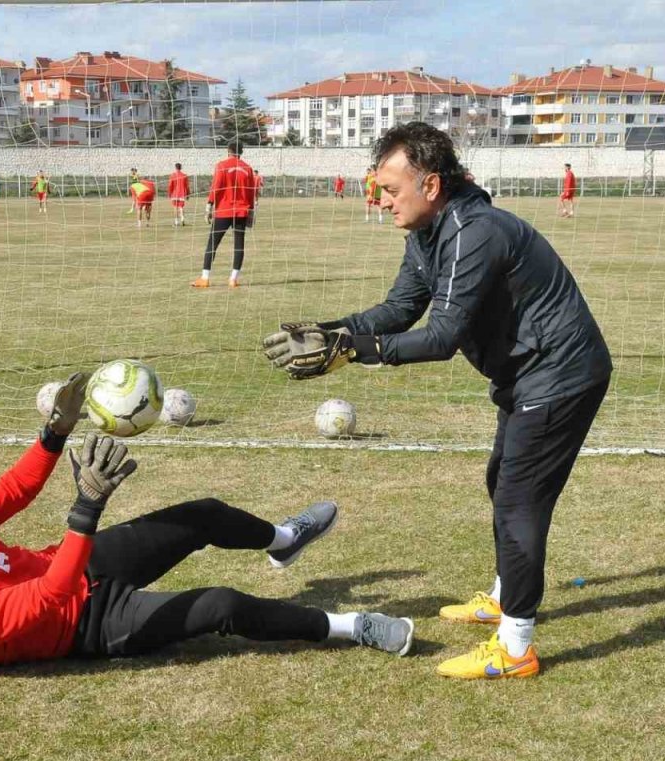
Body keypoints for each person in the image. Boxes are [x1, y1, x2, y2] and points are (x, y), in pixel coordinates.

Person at [262, 122, 612, 681]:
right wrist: (330, 331)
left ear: (430, 186)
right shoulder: (429, 235)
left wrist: (354, 350)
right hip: (527, 375)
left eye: (392, 191)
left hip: (561, 376)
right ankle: (503, 595)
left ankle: (516, 648)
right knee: (503, 482)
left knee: (520, 501)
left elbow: (442, 337)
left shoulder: (476, 231)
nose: (382, 202)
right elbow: (398, 311)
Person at [0, 374, 415, 667]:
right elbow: (50, 599)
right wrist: (87, 506)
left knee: (201, 514)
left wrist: (54, 433)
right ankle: (350, 626)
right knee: (220, 606)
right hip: (85, 626)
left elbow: (13, 490)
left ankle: (283, 540)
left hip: (75, 566)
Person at [192, 141, 256, 289]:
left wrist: (209, 205)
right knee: (239, 244)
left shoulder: (221, 165)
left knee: (213, 243)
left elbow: (216, 186)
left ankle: (205, 278)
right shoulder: (248, 168)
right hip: (242, 211)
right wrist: (251, 212)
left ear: (228, 151)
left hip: (224, 210)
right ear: (241, 152)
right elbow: (251, 191)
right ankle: (233, 279)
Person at [167, 162, 190, 227]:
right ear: (181, 167)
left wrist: (169, 193)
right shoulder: (184, 175)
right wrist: (188, 194)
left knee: (175, 207)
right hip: (182, 194)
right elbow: (187, 186)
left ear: (175, 167)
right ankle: (182, 220)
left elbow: (170, 185)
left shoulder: (172, 175)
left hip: (174, 194)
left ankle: (176, 222)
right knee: (181, 207)